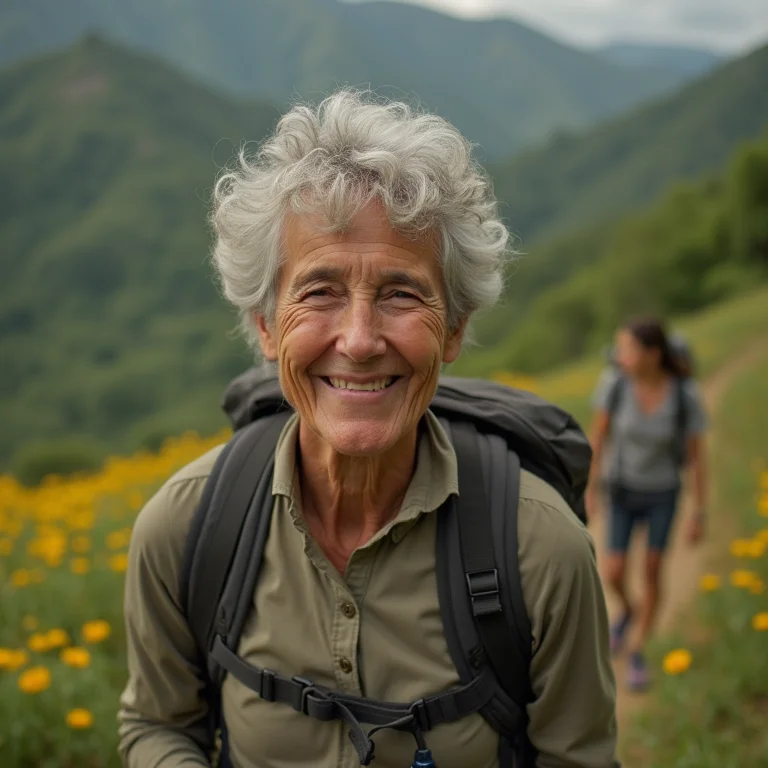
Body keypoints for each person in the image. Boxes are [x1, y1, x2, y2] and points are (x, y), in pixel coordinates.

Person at [117, 89, 619, 768]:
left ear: (454, 328)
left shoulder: (539, 550)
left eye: (401, 293)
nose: (357, 340)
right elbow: (157, 725)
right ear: (265, 326)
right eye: (319, 291)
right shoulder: (186, 529)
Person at [586, 316, 707, 692]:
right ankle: (631, 611)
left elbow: (698, 458)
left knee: (653, 569)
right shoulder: (615, 386)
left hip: (662, 494)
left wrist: (698, 511)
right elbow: (599, 437)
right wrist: (590, 489)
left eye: (627, 349)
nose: (619, 356)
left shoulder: (684, 395)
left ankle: (638, 649)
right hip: (622, 490)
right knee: (614, 572)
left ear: (652, 354)